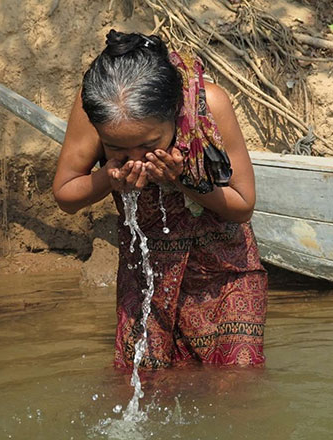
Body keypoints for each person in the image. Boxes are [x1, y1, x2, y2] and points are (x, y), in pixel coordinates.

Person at [53, 30, 267, 369]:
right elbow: (66, 194)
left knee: (235, 389)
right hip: (146, 275)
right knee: (142, 383)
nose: (135, 158)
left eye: (150, 144)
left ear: (175, 113)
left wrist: (183, 180)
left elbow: (242, 204)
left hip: (225, 277)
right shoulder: (98, 107)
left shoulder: (209, 105)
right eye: (118, 148)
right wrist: (108, 178)